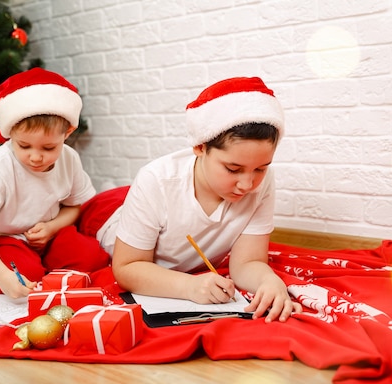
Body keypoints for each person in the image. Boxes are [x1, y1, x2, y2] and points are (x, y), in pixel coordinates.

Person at [87, 76, 301, 322]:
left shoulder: (259, 183)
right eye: (232, 169)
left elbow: (248, 262)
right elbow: (127, 267)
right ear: (200, 147)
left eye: (261, 169)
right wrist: (189, 286)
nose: (247, 184)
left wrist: (269, 281)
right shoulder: (156, 179)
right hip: (107, 218)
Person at [0, 68, 110, 299]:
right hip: (6, 238)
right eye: (24, 146)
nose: (36, 157)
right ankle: (27, 266)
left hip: (49, 234)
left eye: (48, 148)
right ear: (10, 135)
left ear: (67, 132)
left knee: (94, 257)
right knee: (24, 274)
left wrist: (52, 228)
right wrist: (2, 276)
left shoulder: (69, 158)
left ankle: (46, 262)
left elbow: (76, 205)